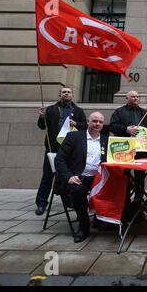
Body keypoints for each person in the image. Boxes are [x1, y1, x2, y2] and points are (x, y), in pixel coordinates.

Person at [54, 112, 108, 242]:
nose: (98, 124)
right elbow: (59, 159)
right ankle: (84, 226)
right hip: (78, 177)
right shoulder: (74, 137)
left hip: (98, 178)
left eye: (100, 122)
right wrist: (69, 176)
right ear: (88, 122)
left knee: (121, 185)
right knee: (78, 191)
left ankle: (102, 219)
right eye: (94, 121)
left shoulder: (106, 140)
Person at [35, 87, 87, 215]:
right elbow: (42, 126)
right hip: (53, 148)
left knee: (68, 176)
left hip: (70, 151)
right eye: (64, 92)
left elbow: (85, 127)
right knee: (47, 176)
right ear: (60, 95)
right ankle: (41, 203)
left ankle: (69, 201)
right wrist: (42, 117)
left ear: (72, 95)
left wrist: (76, 123)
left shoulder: (78, 111)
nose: (66, 94)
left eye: (68, 92)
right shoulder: (52, 109)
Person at [109, 91, 147, 215]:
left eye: (137, 96)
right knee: (125, 175)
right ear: (127, 98)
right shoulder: (119, 112)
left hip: (140, 148)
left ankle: (139, 201)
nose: (136, 98)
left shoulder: (143, 112)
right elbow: (112, 127)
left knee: (140, 175)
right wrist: (126, 129)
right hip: (124, 147)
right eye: (133, 96)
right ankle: (125, 201)